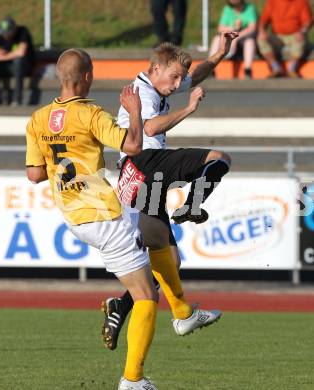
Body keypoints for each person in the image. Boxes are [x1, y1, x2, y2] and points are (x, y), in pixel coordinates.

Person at [26, 48, 159, 390]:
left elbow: (34, 174)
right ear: (87, 76)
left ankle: (121, 304)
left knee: (154, 255)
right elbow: (131, 147)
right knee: (147, 296)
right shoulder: (91, 114)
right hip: (104, 213)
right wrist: (136, 111)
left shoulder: (38, 119)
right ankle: (133, 380)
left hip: (74, 217)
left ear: (60, 77)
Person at [101, 31, 239, 352]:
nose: (178, 85)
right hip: (148, 163)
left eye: (180, 79)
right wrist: (189, 109)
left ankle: (127, 307)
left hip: (135, 177)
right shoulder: (141, 90)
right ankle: (192, 205)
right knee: (219, 159)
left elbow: (195, 75)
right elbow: (149, 128)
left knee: (167, 258)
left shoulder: (161, 83)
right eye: (173, 77)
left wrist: (219, 54)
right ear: (155, 68)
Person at [0, 16, 35, 105]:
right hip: (4, 67)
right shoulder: (0, 34)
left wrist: (4, 56)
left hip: (22, 68)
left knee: (18, 61)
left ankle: (17, 99)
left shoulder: (22, 32)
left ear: (14, 30)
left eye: (7, 33)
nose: (5, 35)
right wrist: (7, 54)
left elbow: (21, 52)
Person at [257, 0, 313, 78]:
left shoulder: (301, 2)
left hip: (295, 36)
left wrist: (302, 31)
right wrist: (262, 31)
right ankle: (276, 68)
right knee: (261, 39)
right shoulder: (272, 2)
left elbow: (307, 22)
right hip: (277, 37)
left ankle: (291, 70)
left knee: (300, 39)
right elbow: (263, 21)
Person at [209, 0, 258, 79]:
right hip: (230, 38)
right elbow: (220, 28)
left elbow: (252, 28)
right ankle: (211, 68)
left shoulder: (250, 8)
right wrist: (233, 28)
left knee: (249, 41)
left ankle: (247, 71)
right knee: (216, 39)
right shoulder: (227, 9)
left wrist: (237, 37)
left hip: (243, 41)